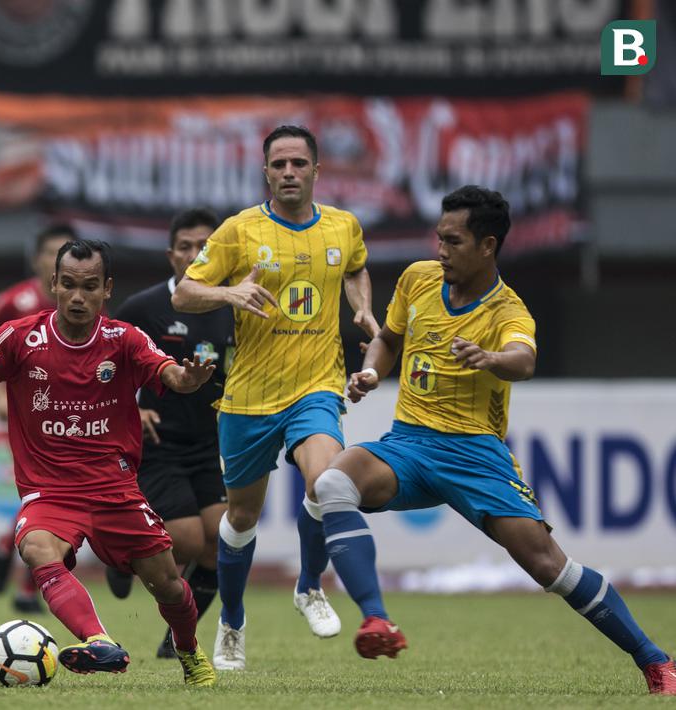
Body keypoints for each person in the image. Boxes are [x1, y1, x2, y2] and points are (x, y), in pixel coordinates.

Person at [315, 185, 676, 695]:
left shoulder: (508, 310)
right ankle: (376, 621)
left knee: (548, 566)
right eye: (439, 238)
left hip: (475, 456)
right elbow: (389, 338)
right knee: (331, 482)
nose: (440, 250)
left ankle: (656, 661)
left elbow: (523, 360)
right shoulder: (418, 280)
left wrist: (490, 359)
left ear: (487, 245)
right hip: (409, 443)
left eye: (454, 241)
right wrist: (372, 373)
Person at [0, 239, 218, 687]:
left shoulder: (123, 339)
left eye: (89, 286)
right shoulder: (18, 338)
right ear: (54, 284)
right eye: (68, 284)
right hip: (51, 491)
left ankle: (189, 651)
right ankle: (101, 642)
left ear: (107, 289)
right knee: (35, 548)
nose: (77, 296)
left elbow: (170, 374)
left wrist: (189, 378)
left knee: (167, 584)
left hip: (116, 489)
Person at [172, 124, 379, 670]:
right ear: (266, 172)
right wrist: (229, 291)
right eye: (279, 164)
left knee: (327, 480)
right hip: (248, 397)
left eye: (299, 163)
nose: (289, 172)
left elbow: (355, 266)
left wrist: (360, 307)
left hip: (316, 386)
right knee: (241, 519)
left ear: (316, 170)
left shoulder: (343, 226)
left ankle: (310, 586)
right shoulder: (240, 230)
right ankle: (232, 622)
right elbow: (186, 291)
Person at [106, 208, 233, 660]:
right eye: (185, 247)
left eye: (205, 247)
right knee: (190, 540)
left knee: (226, 539)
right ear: (170, 254)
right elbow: (105, 363)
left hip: (209, 443)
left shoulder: (232, 306)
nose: (195, 254)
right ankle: (120, 556)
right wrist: (133, 407)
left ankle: (175, 640)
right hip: (157, 444)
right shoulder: (144, 307)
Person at [0, 223, 76, 614]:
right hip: (25, 413)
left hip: (72, 417)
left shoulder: (84, 301)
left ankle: (11, 555)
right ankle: (27, 589)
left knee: (55, 498)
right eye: (50, 252)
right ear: (37, 259)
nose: (56, 260)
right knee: (48, 496)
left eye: (63, 253)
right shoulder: (13, 301)